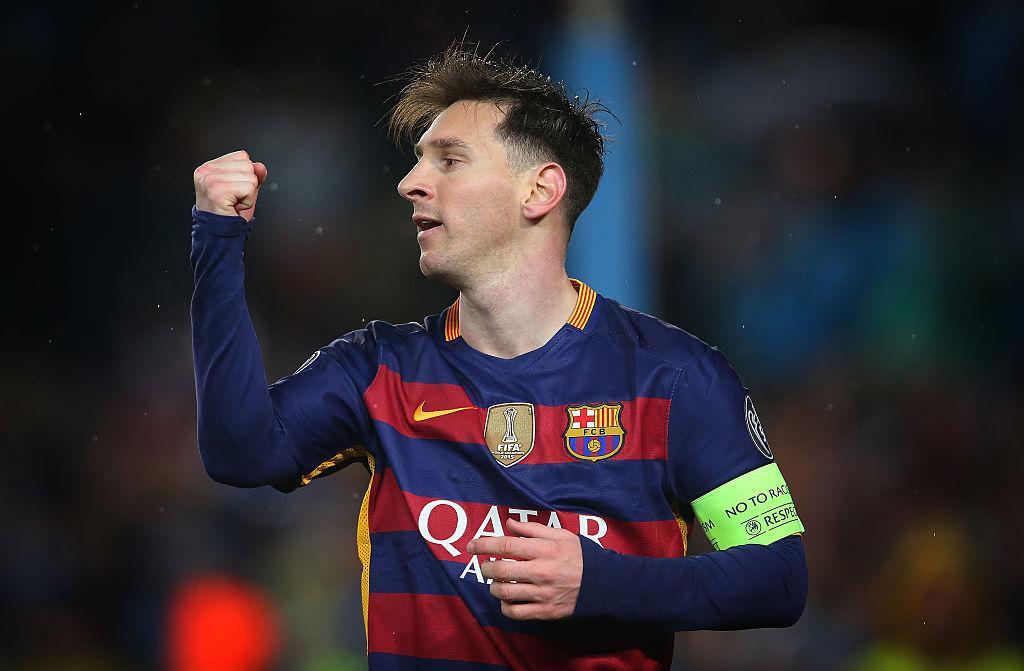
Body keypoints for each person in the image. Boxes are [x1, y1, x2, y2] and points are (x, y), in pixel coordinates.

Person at [190, 45, 808, 671]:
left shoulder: (676, 379)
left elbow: (779, 578)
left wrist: (604, 585)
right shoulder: (377, 370)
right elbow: (240, 452)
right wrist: (218, 239)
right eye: (418, 160)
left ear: (539, 190)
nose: (410, 182)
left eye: (450, 159)